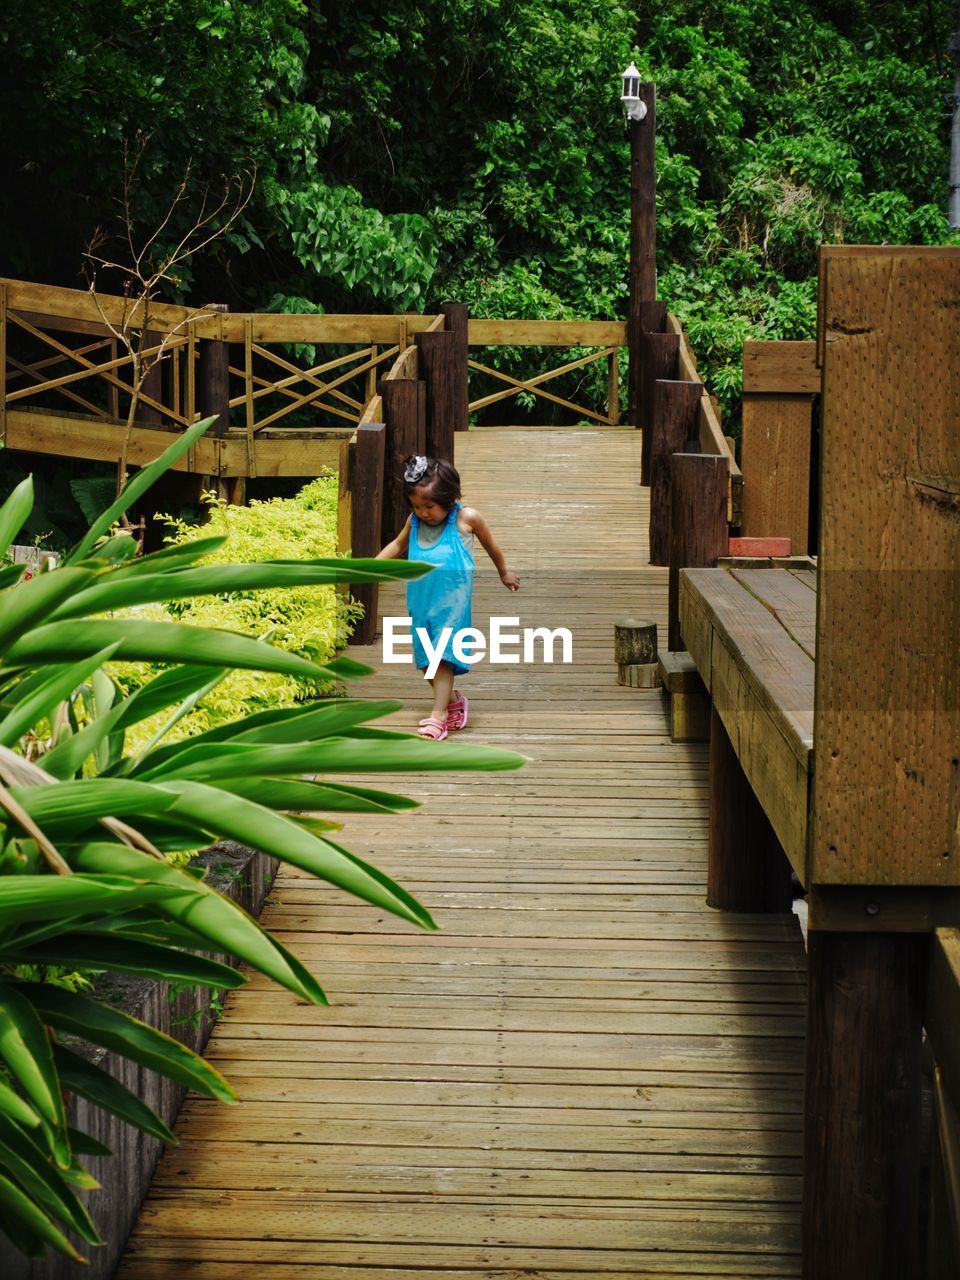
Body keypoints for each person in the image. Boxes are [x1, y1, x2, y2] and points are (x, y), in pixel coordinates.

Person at [377, 454, 520, 740]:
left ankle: (438, 715)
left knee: (442, 657)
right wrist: (371, 566)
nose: (423, 513)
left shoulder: (466, 518)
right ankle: (453, 702)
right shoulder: (414, 522)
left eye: (429, 506)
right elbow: (397, 545)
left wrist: (504, 572)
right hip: (421, 599)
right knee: (426, 661)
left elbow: (491, 545)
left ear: (450, 498)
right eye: (417, 506)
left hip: (453, 603)